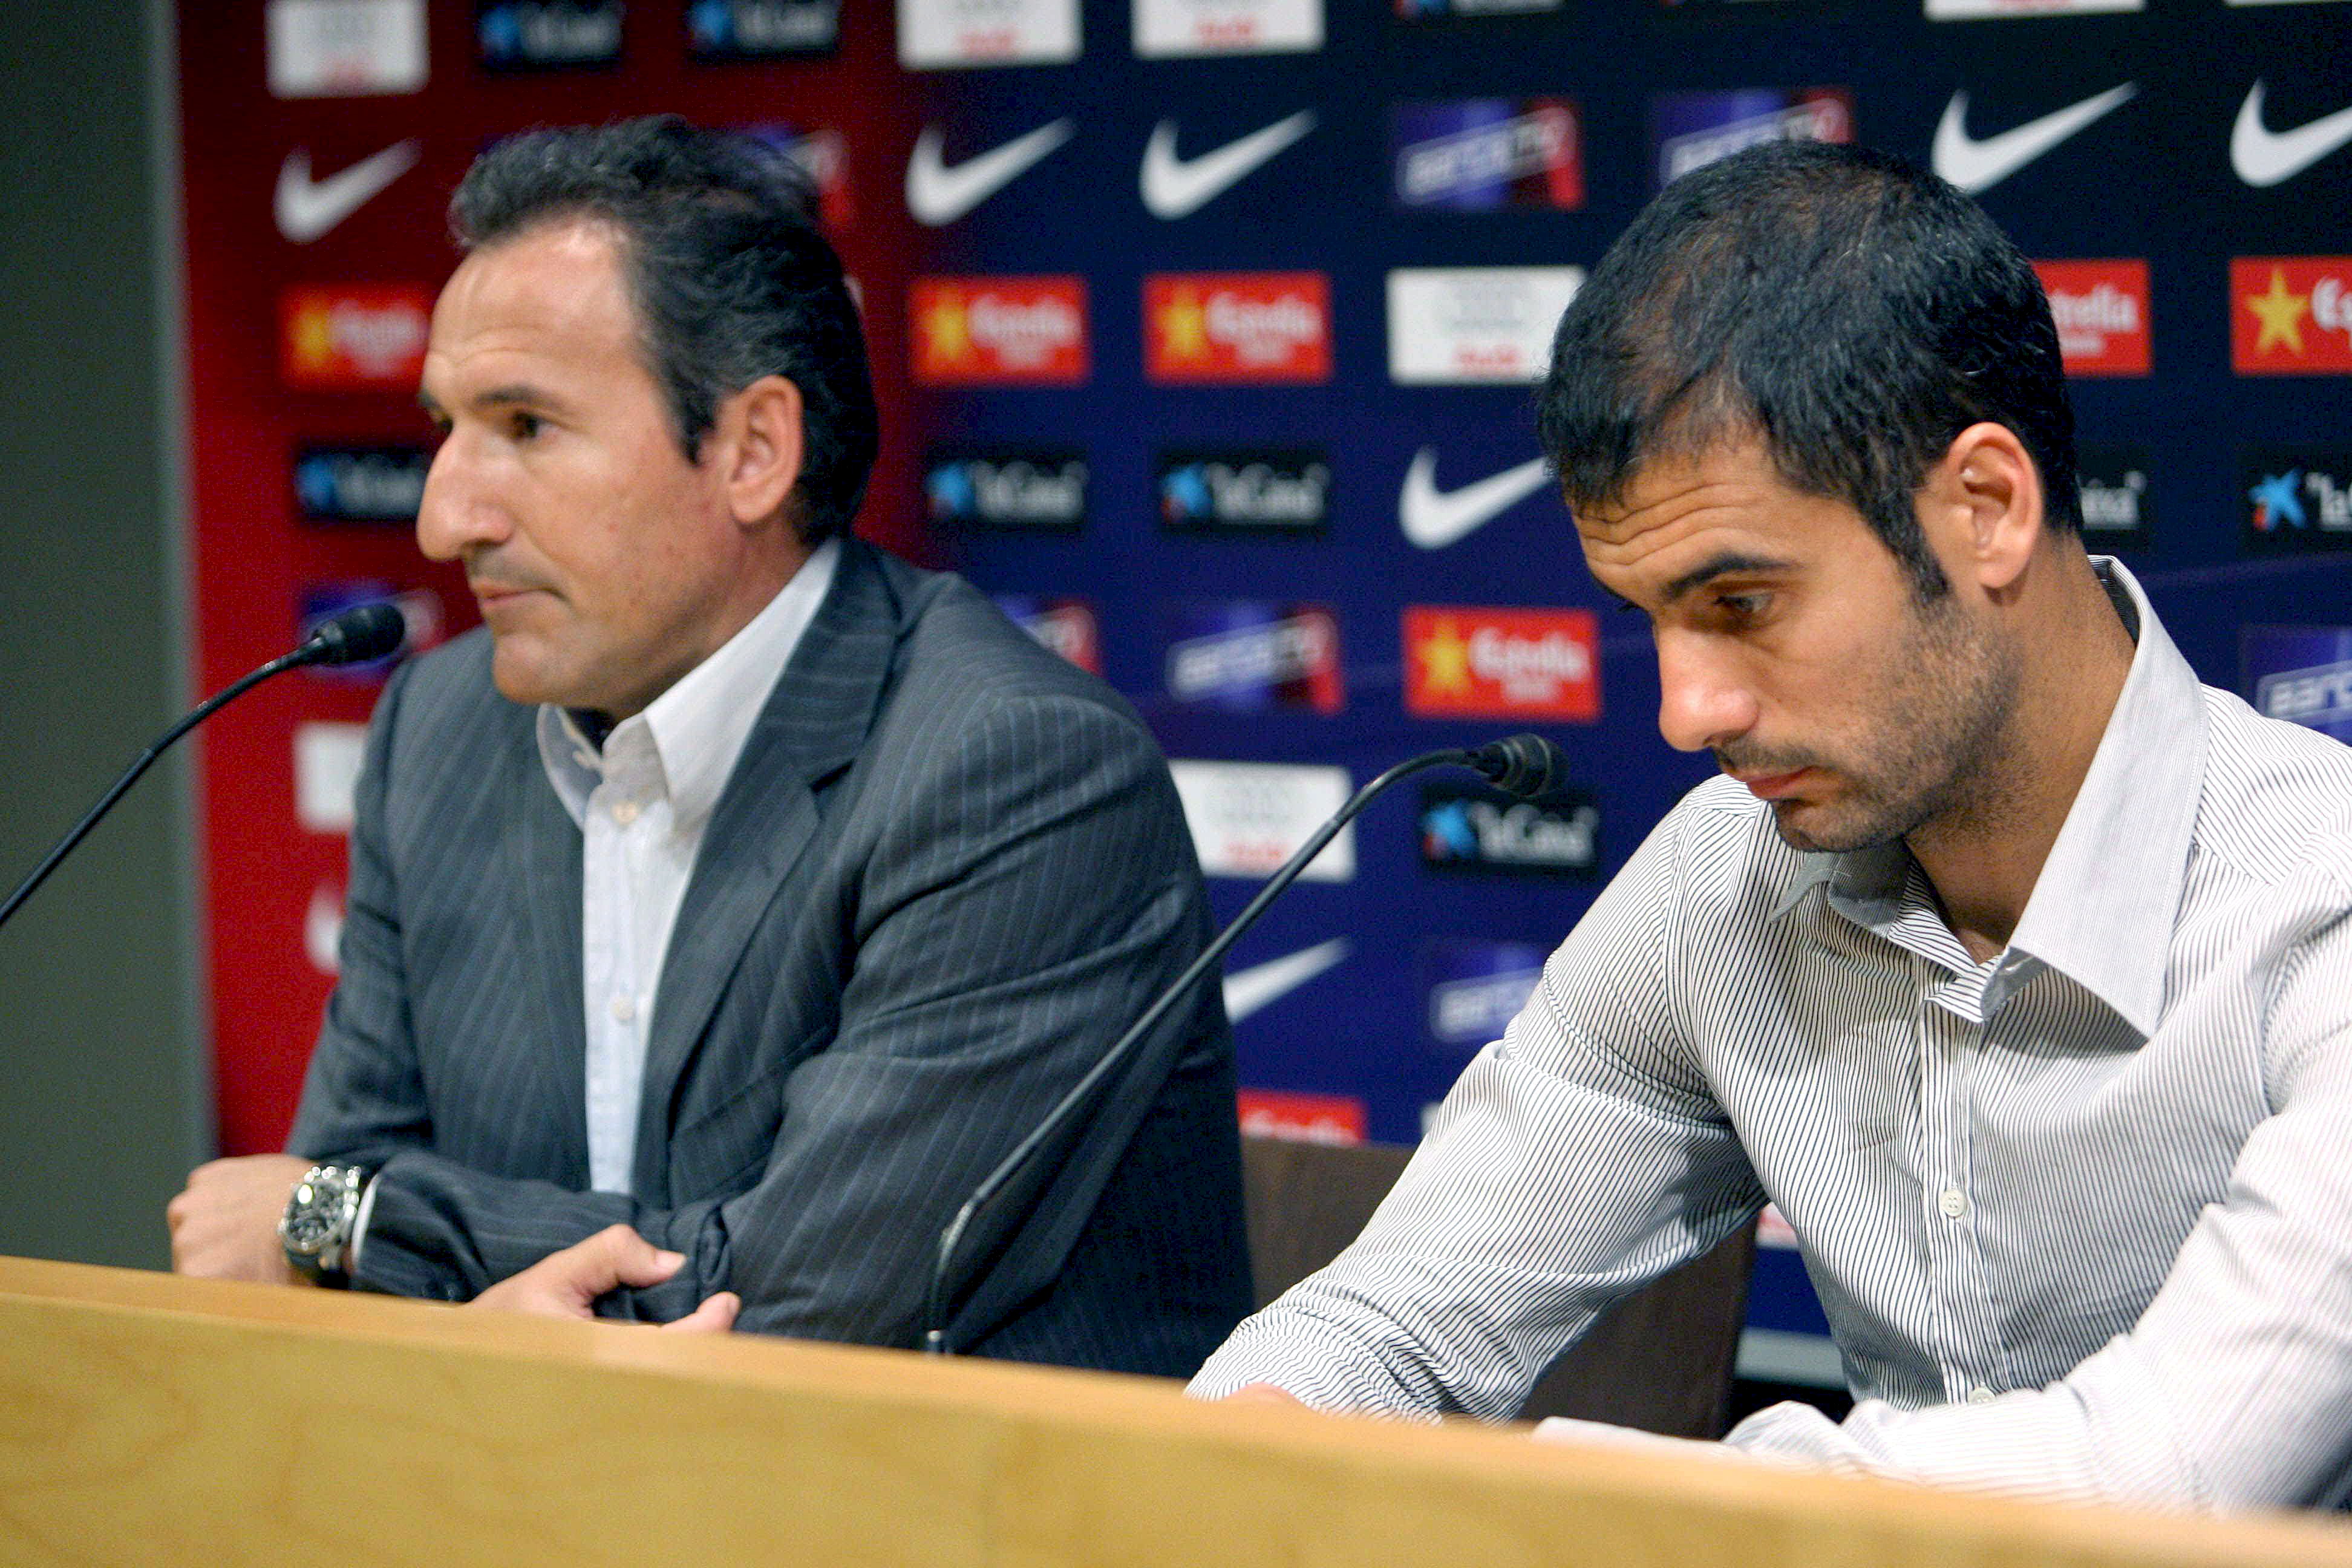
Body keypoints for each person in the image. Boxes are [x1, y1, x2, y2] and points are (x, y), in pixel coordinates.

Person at [1189, 141, 2352, 1512]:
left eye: (1741, 603)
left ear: (1983, 510)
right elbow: (1384, 1332)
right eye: (1652, 623)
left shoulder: (2317, 898)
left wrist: (1518, 1499)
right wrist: (1245, 1445)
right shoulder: (1719, 884)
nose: (1686, 710)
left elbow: (2167, 1482)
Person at [166, 117, 1252, 1376]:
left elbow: (788, 1308)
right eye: (446, 430)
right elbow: (328, 1249)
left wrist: (357, 1225)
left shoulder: (1016, 773)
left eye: (523, 426)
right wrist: (350, 1231)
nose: (441, 517)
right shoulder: (442, 731)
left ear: (750, 451)